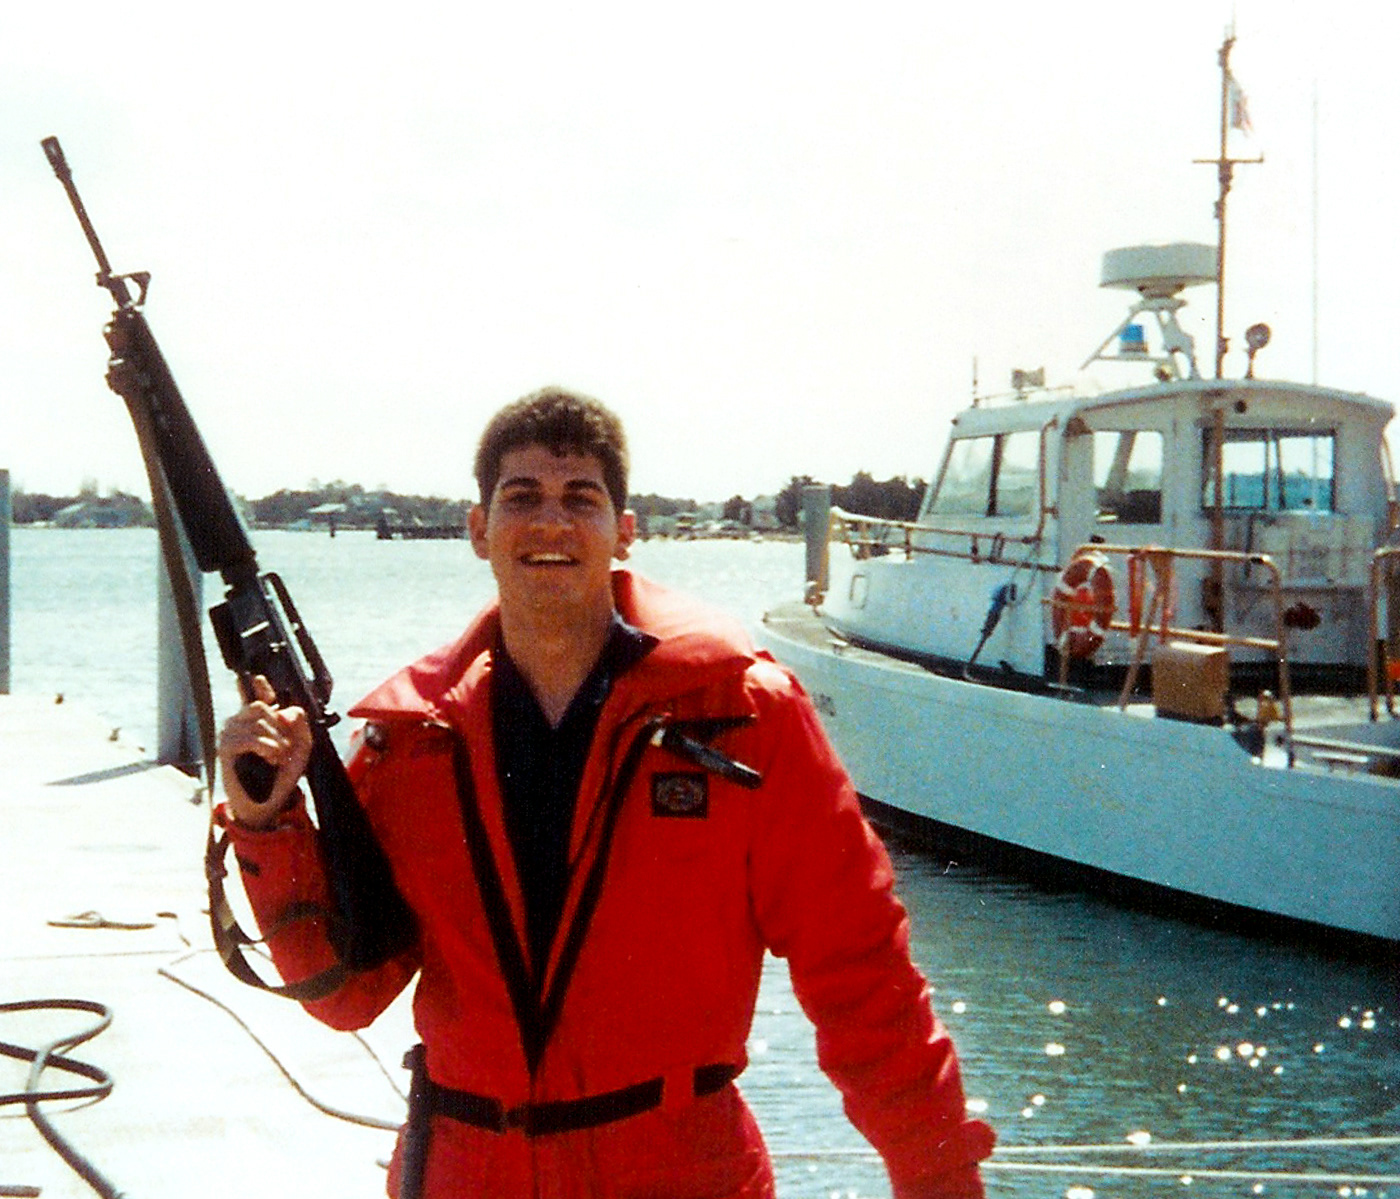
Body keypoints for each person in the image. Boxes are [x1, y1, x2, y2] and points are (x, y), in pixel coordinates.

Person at [217, 386, 995, 1199]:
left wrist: (936, 1171)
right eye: (521, 497)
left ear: (624, 531)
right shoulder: (410, 742)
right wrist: (264, 822)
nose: (550, 522)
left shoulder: (743, 715)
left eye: (579, 498)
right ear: (478, 528)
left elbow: (861, 969)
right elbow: (345, 993)